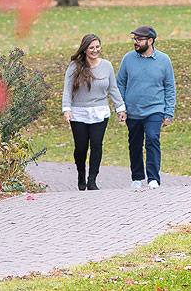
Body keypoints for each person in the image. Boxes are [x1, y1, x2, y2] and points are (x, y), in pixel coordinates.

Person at [62, 34, 126, 191]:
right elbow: (67, 89)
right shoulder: (74, 66)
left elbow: (113, 88)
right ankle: (81, 174)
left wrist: (121, 108)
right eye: (91, 48)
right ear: (84, 49)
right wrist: (66, 109)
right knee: (81, 147)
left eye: (97, 47)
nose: (95, 50)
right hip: (79, 112)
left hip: (100, 111)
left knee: (97, 145)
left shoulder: (107, 66)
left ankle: (92, 180)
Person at [116, 25, 175, 189]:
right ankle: (137, 177)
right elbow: (120, 83)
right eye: (134, 39)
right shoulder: (128, 59)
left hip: (155, 110)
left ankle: (153, 178)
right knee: (134, 144)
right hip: (132, 111)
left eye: (139, 40)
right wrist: (121, 108)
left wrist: (168, 113)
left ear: (150, 41)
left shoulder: (164, 60)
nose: (135, 42)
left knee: (152, 140)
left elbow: (170, 87)